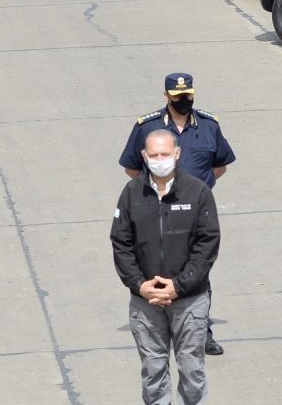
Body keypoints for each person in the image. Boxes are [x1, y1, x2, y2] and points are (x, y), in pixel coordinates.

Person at [118, 73, 235, 356]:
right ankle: (159, 327)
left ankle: (201, 331)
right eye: (177, 96)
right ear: (166, 96)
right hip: (156, 208)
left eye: (188, 95)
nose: (184, 100)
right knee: (154, 263)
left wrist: (200, 191)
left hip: (195, 213)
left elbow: (220, 165)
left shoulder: (208, 126)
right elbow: (132, 169)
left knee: (198, 268)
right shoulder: (148, 127)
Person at [111, 129, 220, 405]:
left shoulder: (198, 191)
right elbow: (121, 242)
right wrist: (140, 285)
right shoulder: (131, 193)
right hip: (145, 301)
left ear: (177, 154)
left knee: (192, 370)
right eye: (154, 154)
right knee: (153, 371)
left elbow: (207, 244)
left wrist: (178, 285)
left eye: (165, 153)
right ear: (145, 156)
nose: (160, 159)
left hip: (189, 300)